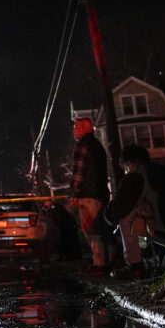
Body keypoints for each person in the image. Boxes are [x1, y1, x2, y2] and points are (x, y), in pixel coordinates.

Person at [68, 117, 110, 273]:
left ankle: (100, 265)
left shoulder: (82, 145)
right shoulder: (98, 146)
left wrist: (74, 194)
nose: (74, 130)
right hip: (101, 193)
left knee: (92, 231)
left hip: (88, 195)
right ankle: (108, 261)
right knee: (102, 230)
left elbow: (78, 174)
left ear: (84, 128)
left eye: (76, 127)